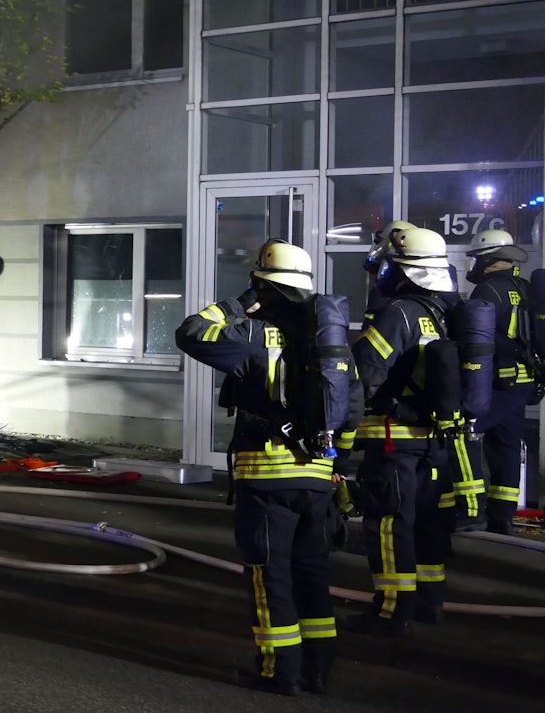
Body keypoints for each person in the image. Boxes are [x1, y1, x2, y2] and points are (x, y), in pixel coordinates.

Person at [175, 240, 344, 696]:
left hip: (267, 476)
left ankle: (279, 670)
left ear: (261, 286)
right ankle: (318, 669)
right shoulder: (327, 338)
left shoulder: (251, 335)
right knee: (312, 572)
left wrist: (236, 303)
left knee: (270, 574)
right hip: (317, 475)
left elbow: (191, 332)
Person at [348, 226, 461, 635]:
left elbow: (363, 372)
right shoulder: (443, 313)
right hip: (434, 440)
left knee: (389, 524)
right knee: (427, 524)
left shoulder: (397, 314)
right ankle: (429, 603)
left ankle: (391, 612)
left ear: (401, 270)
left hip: (394, 438)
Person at [465, 228, 535, 535]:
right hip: (523, 382)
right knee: (506, 444)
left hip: (493, 381)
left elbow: (476, 337)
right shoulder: (527, 288)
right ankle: (502, 516)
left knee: (462, 433)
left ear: (489, 260)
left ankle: (469, 509)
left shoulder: (488, 290)